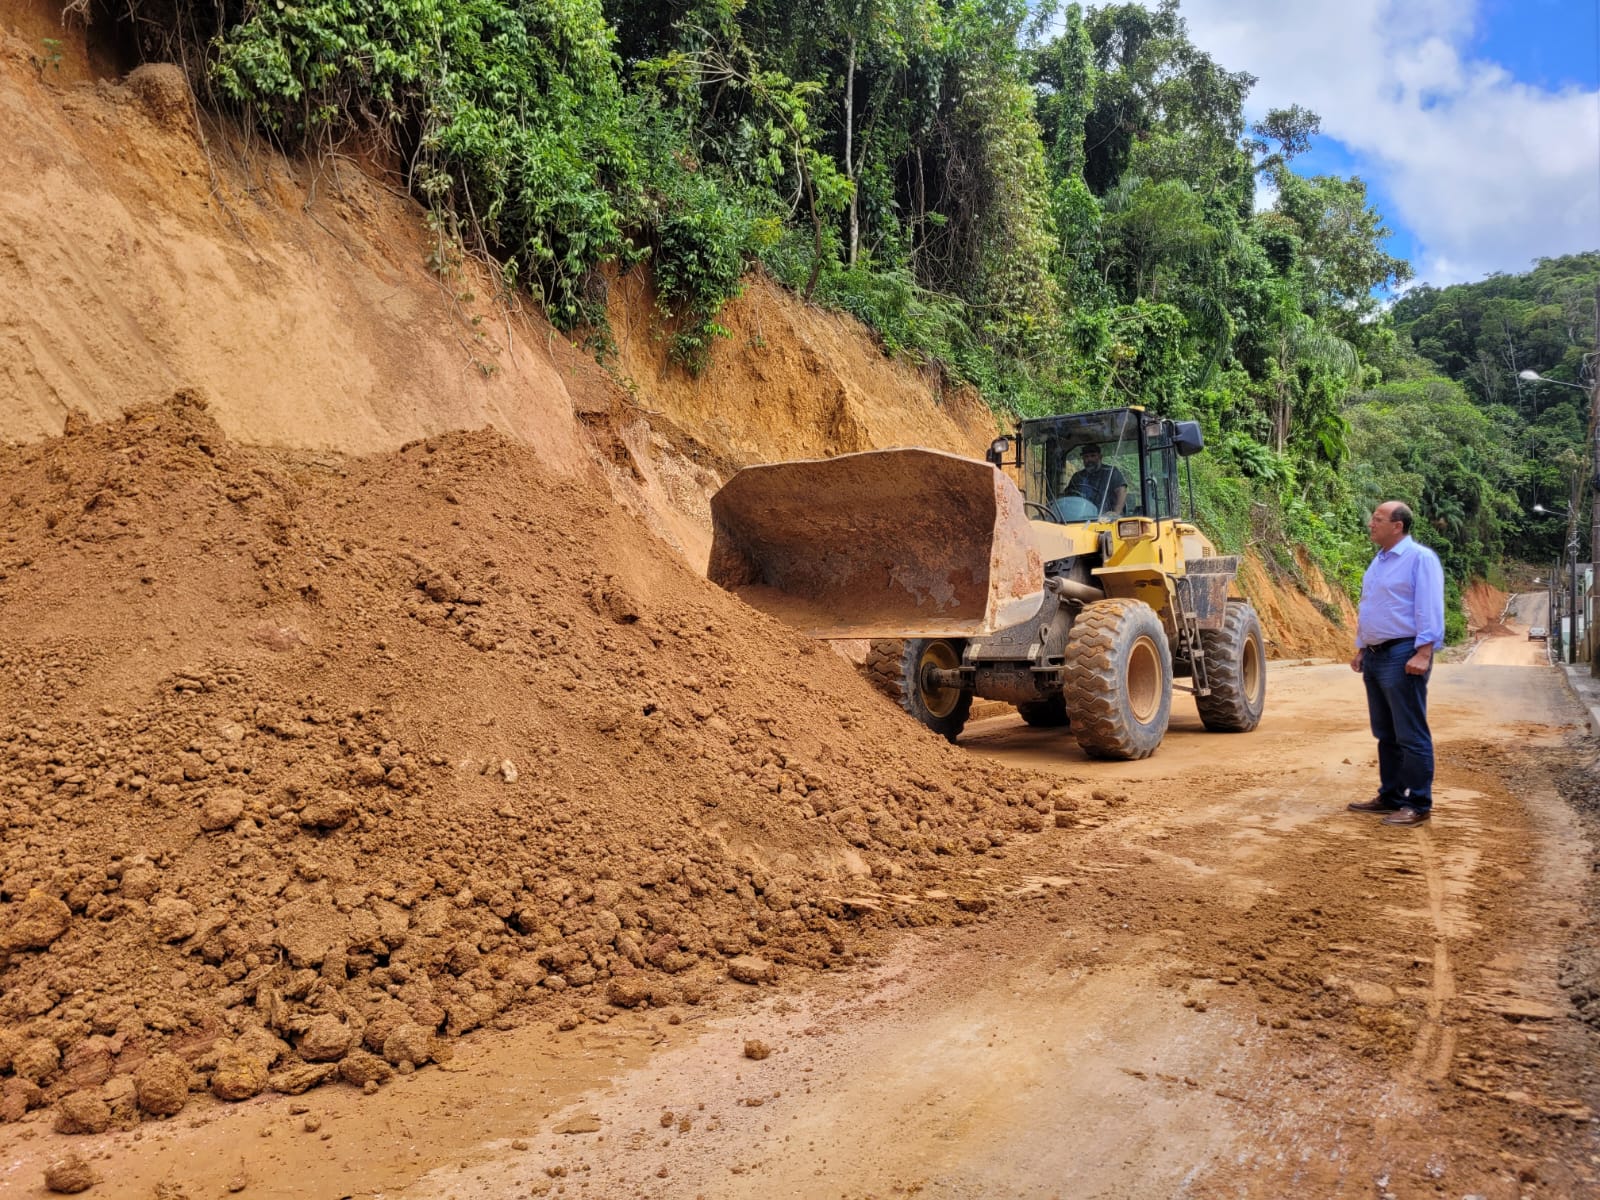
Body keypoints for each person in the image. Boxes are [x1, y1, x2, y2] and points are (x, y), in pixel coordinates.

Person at [1347, 501, 1445, 827]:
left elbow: (1428, 607)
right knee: (1386, 733)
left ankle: (1418, 803)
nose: (1371, 523)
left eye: (1378, 519)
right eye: (1372, 517)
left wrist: (1424, 652)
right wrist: (1362, 648)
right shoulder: (1379, 562)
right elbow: (1372, 606)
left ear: (1397, 526)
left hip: (1404, 654)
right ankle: (1391, 796)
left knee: (1410, 733)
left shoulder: (1420, 559)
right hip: (1376, 656)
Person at [1065, 444, 1127, 514]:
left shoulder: (1111, 472)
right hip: (1081, 515)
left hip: (1107, 517)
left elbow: (1121, 491)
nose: (1089, 459)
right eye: (1086, 457)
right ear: (1083, 459)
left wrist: (1116, 512)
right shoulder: (1078, 476)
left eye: (1093, 456)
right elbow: (1069, 496)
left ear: (1100, 457)